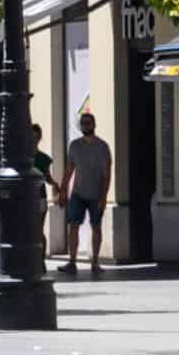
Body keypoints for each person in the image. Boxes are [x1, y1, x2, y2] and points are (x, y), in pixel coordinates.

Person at [59, 112, 112, 275]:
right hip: (78, 194)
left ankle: (95, 262)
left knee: (96, 227)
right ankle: (72, 262)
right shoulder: (74, 146)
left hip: (96, 194)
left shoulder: (103, 147)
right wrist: (62, 190)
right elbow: (69, 170)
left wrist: (104, 197)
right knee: (73, 226)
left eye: (88, 123)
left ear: (94, 125)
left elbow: (107, 174)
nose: (85, 126)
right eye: (83, 123)